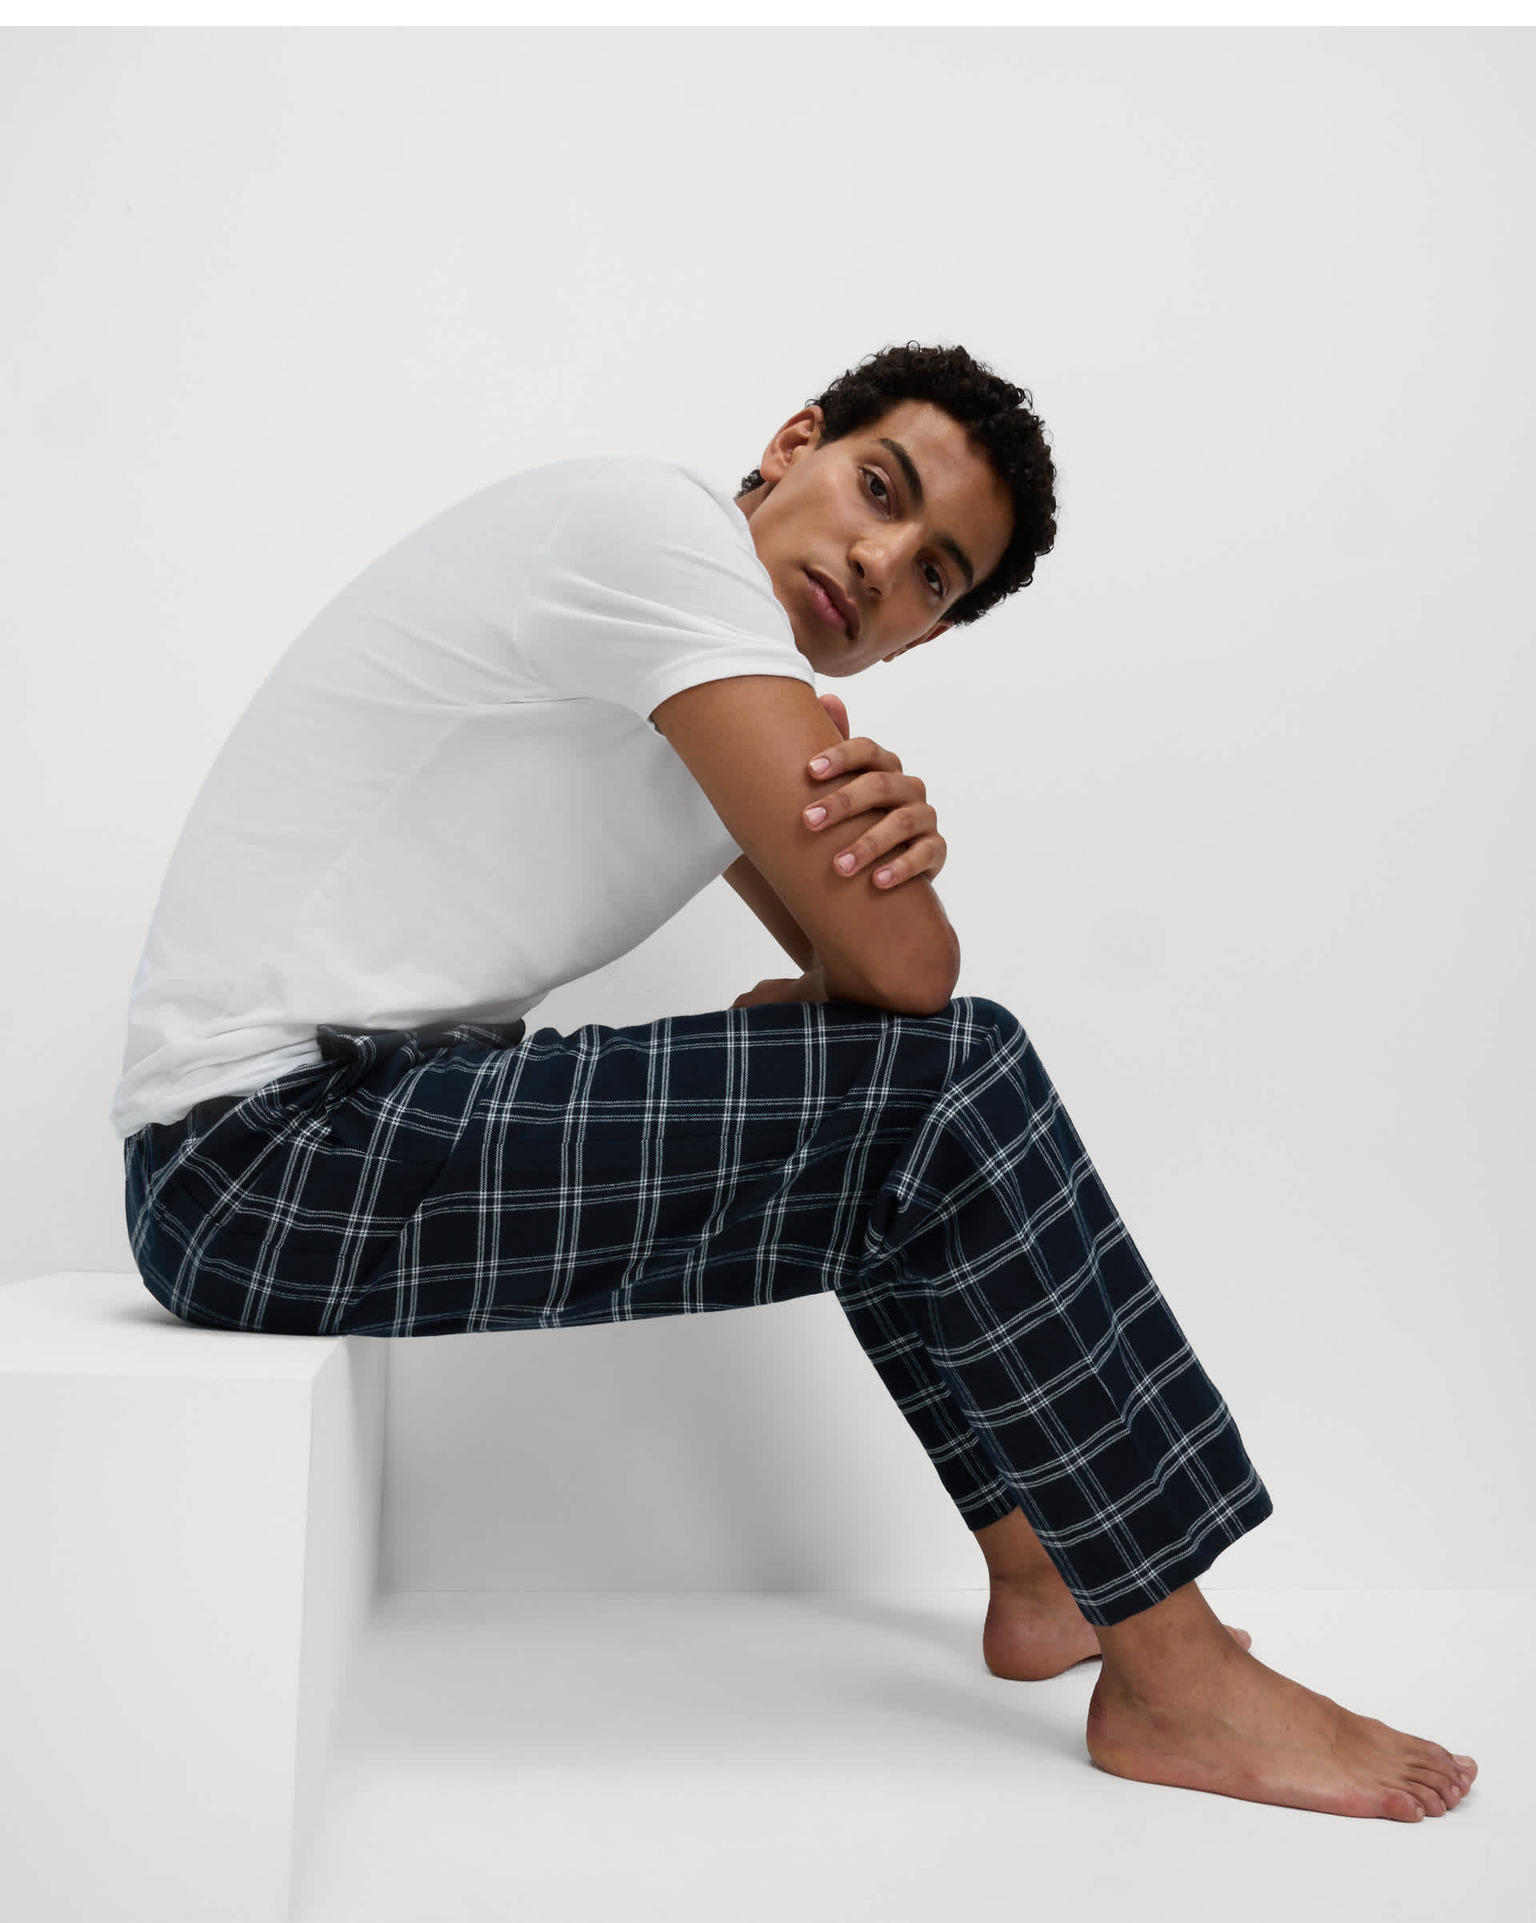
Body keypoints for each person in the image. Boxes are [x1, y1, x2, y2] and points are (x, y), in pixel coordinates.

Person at [114, 340, 1476, 1823]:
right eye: (879, 490)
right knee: (946, 1088)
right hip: (259, 1159)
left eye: (934, 576)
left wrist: (865, 909)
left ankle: (1046, 1572)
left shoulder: (718, 691)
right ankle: (1178, 1677)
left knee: (902, 1111)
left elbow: (870, 994)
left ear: (919, 639)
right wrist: (873, 918)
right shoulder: (653, 536)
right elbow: (907, 971)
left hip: (344, 1135)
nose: (880, 563)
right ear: (793, 443)